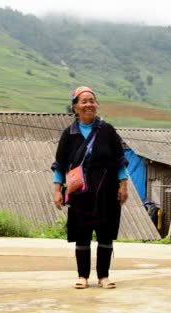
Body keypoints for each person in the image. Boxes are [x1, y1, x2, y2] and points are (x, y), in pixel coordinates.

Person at [51, 86, 129, 289]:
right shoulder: (69, 134)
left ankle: (103, 276)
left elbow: (120, 160)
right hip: (80, 193)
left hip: (107, 190)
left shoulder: (107, 130)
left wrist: (123, 186)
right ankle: (82, 276)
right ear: (75, 107)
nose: (89, 105)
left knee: (105, 234)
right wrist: (58, 190)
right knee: (82, 235)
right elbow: (60, 165)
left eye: (92, 101)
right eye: (84, 101)